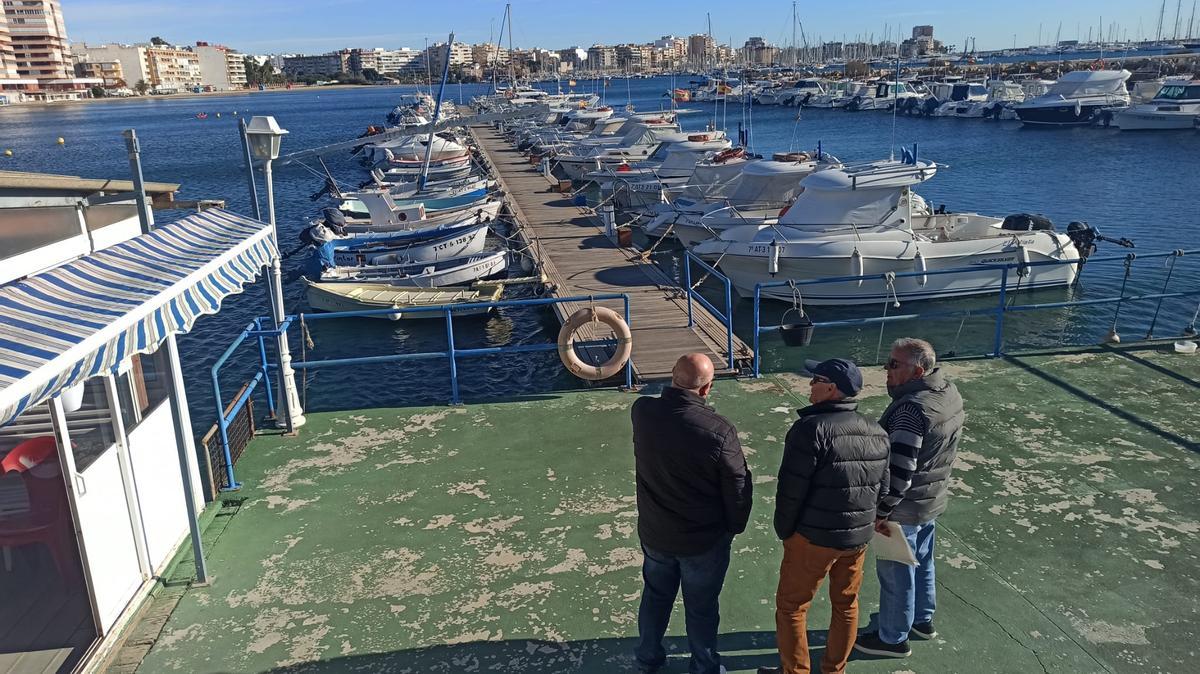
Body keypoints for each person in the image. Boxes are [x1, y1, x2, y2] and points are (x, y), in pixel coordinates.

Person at [758, 359, 890, 674]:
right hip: (856, 540)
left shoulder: (810, 429)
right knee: (846, 606)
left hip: (813, 538)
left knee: (791, 608)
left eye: (815, 379)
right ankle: (835, 670)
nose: (809, 384)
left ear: (831, 388)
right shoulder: (877, 430)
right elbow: (882, 490)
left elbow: (791, 490)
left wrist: (785, 531)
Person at [631, 353, 753, 674]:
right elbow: (738, 484)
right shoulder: (719, 430)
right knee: (701, 608)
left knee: (655, 597)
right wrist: (734, 526)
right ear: (707, 388)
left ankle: (647, 658)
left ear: (672, 376)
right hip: (703, 541)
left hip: (656, 533)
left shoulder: (642, 412)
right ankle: (704, 666)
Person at [854, 338, 965, 659]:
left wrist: (881, 512)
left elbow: (901, 471)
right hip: (931, 498)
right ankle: (922, 619)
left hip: (902, 508)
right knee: (923, 561)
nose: (885, 370)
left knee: (896, 571)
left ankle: (892, 638)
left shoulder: (910, 411)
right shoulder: (948, 392)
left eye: (893, 365)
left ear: (917, 371)